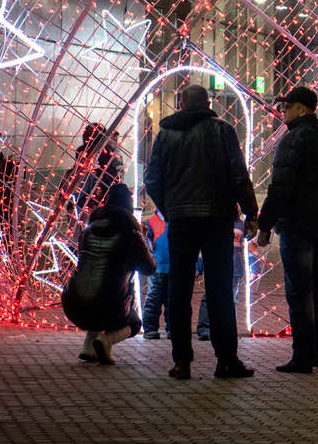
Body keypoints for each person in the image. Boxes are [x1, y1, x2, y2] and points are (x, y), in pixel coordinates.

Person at [146, 84, 259, 381]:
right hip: (217, 218)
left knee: (179, 290)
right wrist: (251, 211)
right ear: (208, 103)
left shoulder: (165, 134)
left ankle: (182, 361)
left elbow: (152, 179)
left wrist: (169, 209)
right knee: (219, 289)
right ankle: (226, 360)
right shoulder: (222, 130)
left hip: (181, 220)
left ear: (180, 104)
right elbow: (238, 175)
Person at [255, 86, 318, 373]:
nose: (283, 112)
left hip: (296, 225)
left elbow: (280, 188)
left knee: (299, 291)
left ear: (303, 108)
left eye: (287, 106)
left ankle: (303, 355)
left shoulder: (293, 140)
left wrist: (265, 225)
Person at [63, 184, 156, 364]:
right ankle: (106, 341)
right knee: (135, 322)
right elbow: (149, 268)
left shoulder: (88, 230)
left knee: (97, 294)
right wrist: (144, 243)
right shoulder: (130, 232)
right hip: (109, 307)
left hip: (74, 303)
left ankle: (88, 348)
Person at [141, 200, 171, 340]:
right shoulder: (151, 221)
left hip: (173, 266)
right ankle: (151, 328)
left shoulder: (176, 220)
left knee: (172, 299)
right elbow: (147, 242)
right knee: (154, 297)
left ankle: (173, 328)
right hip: (158, 267)